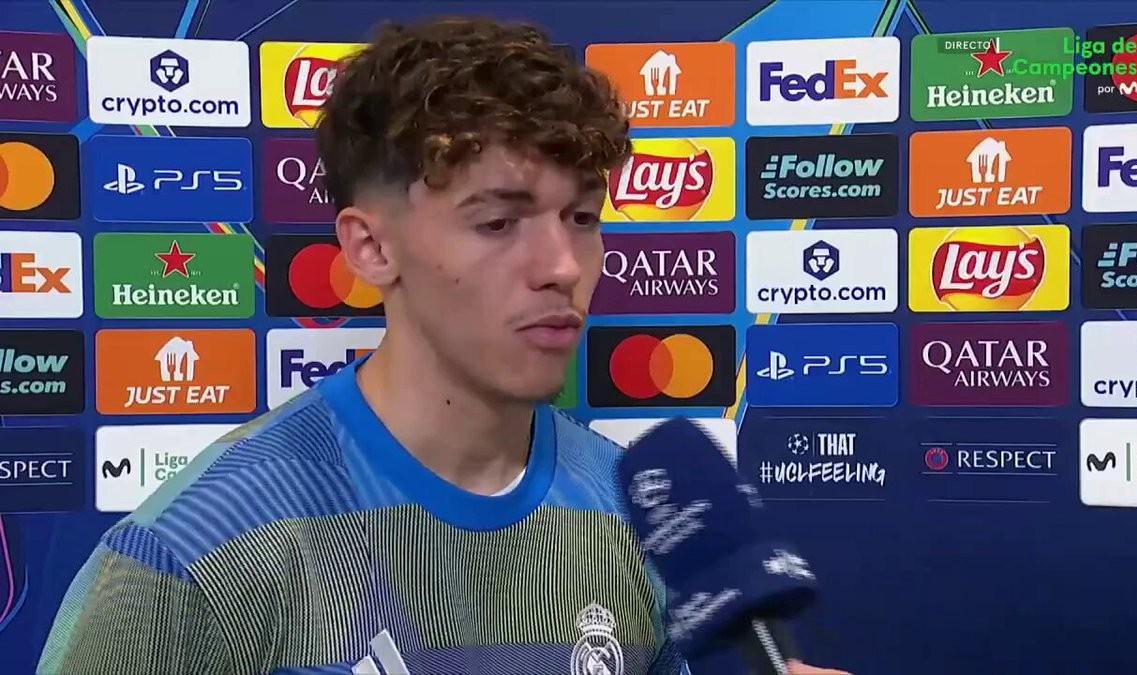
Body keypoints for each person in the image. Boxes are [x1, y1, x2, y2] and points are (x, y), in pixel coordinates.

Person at [37, 16, 847, 675]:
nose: (564, 266)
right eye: (498, 222)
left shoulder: (632, 519)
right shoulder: (199, 550)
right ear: (370, 248)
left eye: (582, 217)